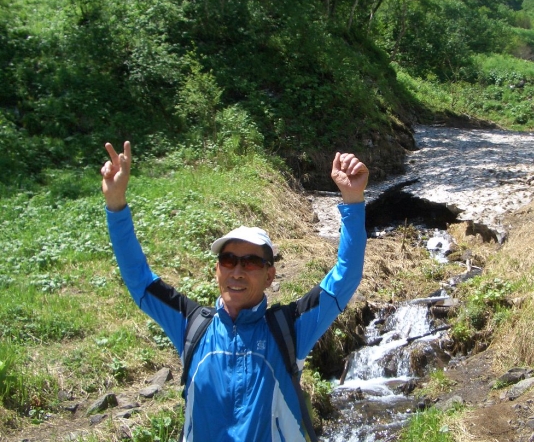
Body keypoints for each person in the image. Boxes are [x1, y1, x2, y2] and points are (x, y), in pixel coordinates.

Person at [100, 141, 369, 442]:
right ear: (217, 270)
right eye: (228, 260)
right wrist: (116, 204)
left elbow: (346, 276)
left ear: (269, 276)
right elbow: (139, 280)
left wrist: (352, 200)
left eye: (251, 262)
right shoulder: (191, 326)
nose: (237, 271)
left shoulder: (290, 329)